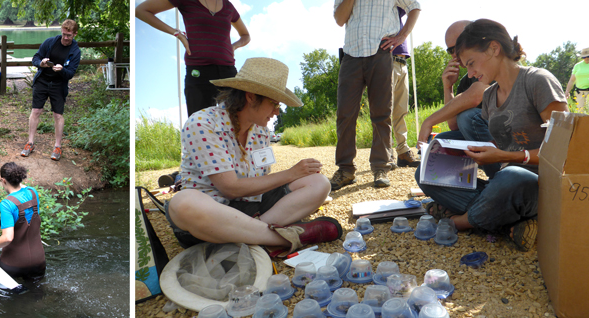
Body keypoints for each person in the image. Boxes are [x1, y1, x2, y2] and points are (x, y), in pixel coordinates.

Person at [414, 19, 568, 252]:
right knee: (427, 173)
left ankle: (461, 221)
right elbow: (495, 147)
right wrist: (472, 156)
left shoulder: (537, 81)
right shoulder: (490, 97)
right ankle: (506, 222)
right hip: (504, 183)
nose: (471, 72)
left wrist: (504, 156)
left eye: (472, 63)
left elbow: (565, 150)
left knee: (512, 178)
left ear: (494, 49)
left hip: (539, 186)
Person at [165, 58, 340, 258]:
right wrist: (291, 173)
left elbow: (263, 179)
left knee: (319, 183)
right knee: (182, 203)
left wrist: (294, 176)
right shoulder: (203, 123)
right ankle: (283, 238)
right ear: (250, 97)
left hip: (253, 209)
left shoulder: (261, 132)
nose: (277, 111)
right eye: (274, 103)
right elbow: (229, 189)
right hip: (213, 214)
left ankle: (251, 236)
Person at [331, 0, 421, 190]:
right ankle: (345, 169)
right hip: (351, 54)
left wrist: (402, 36)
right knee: (345, 114)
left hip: (381, 51)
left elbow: (414, 6)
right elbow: (340, 20)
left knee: (382, 113)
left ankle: (381, 167)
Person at [135, 0, 250, 116]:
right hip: (198, 73)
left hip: (227, 73)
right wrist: (177, 33)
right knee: (200, 124)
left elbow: (246, 35)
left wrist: (234, 46)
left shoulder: (228, 6)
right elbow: (141, 11)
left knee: (236, 122)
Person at [417, 20, 499, 178]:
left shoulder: (493, 65)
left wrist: (429, 121)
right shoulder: (467, 79)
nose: (454, 55)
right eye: (450, 51)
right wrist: (448, 87)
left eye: (457, 47)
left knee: (469, 117)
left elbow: (477, 93)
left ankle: (498, 177)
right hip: (492, 137)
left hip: (509, 138)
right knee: (440, 142)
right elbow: (454, 125)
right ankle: (473, 192)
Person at [21, 19, 81, 161]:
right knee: (36, 111)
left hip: (59, 84)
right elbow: (35, 58)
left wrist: (61, 70)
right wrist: (41, 63)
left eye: (69, 35)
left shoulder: (75, 51)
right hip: (42, 81)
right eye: (64, 34)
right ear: (61, 31)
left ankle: (57, 146)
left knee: (58, 115)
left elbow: (70, 73)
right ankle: (30, 143)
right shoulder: (50, 42)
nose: (65, 38)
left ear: (75, 34)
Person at [0, 162, 46, 278]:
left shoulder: (7, 204)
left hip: (14, 263)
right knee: (37, 293)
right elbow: (18, 185)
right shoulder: (33, 192)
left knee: (6, 295)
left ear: (4, 181)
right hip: (38, 261)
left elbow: (7, 238)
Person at [389, 7, 419, 168]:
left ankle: (402, 151)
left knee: (401, 110)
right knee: (384, 110)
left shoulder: (399, 7)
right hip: (387, 60)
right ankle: (386, 153)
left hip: (402, 62)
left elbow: (412, 6)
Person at [565, 46, 589, 112]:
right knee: (580, 112)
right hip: (580, 92)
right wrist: (567, 91)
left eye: (588, 56)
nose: (586, 58)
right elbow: (572, 80)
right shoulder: (577, 66)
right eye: (584, 57)